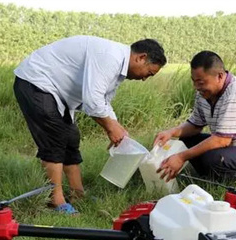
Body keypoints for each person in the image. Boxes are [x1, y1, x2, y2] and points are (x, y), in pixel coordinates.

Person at [13, 36, 166, 214]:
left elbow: (103, 101)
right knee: (55, 138)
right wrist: (111, 128)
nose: (145, 79)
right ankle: (56, 200)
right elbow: (92, 100)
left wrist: (118, 127)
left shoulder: (118, 68)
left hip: (57, 94)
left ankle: (78, 194)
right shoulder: (110, 57)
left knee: (71, 138)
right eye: (148, 73)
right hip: (36, 82)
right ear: (141, 57)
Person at [153, 51, 236, 182]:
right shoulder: (204, 94)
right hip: (235, 148)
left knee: (214, 159)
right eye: (194, 81)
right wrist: (171, 132)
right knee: (187, 140)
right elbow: (195, 125)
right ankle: (211, 176)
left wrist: (181, 157)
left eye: (201, 82)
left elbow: (222, 140)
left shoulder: (235, 92)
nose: (196, 87)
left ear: (220, 76)